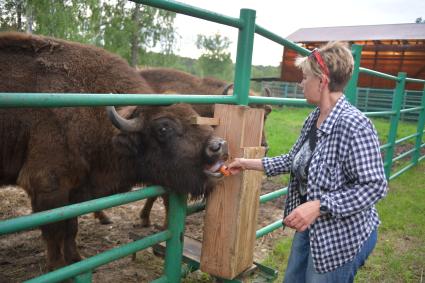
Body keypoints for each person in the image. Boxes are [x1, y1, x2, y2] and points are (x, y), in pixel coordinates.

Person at [227, 41, 388, 283]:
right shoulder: (314, 117)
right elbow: (294, 160)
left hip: (341, 237)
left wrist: (319, 206)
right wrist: (246, 163)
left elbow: (375, 186)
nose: (300, 84)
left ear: (322, 81)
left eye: (305, 78)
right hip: (311, 227)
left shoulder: (356, 125)